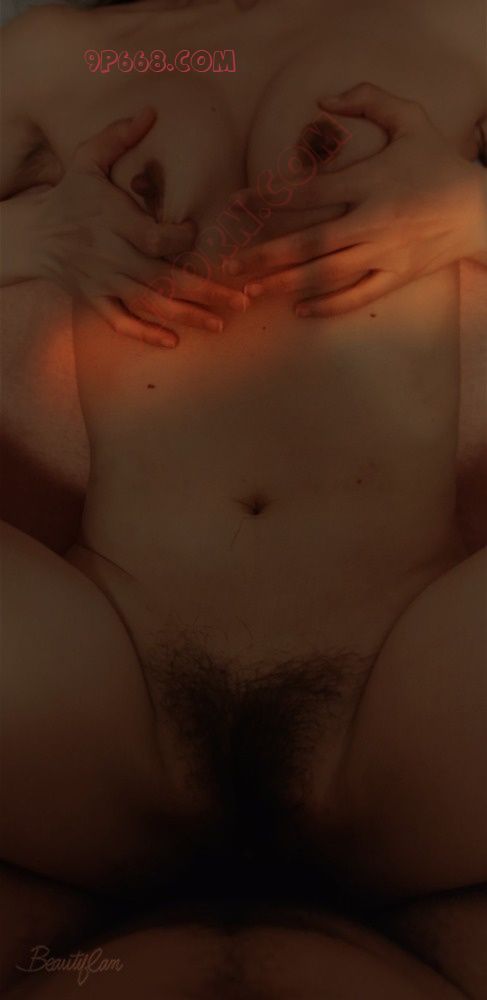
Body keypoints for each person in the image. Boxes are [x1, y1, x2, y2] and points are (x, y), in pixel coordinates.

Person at [1, 0, 486, 995]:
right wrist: (32, 234)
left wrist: (475, 210)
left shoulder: (460, 26)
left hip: (411, 679)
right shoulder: (47, 54)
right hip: (102, 681)